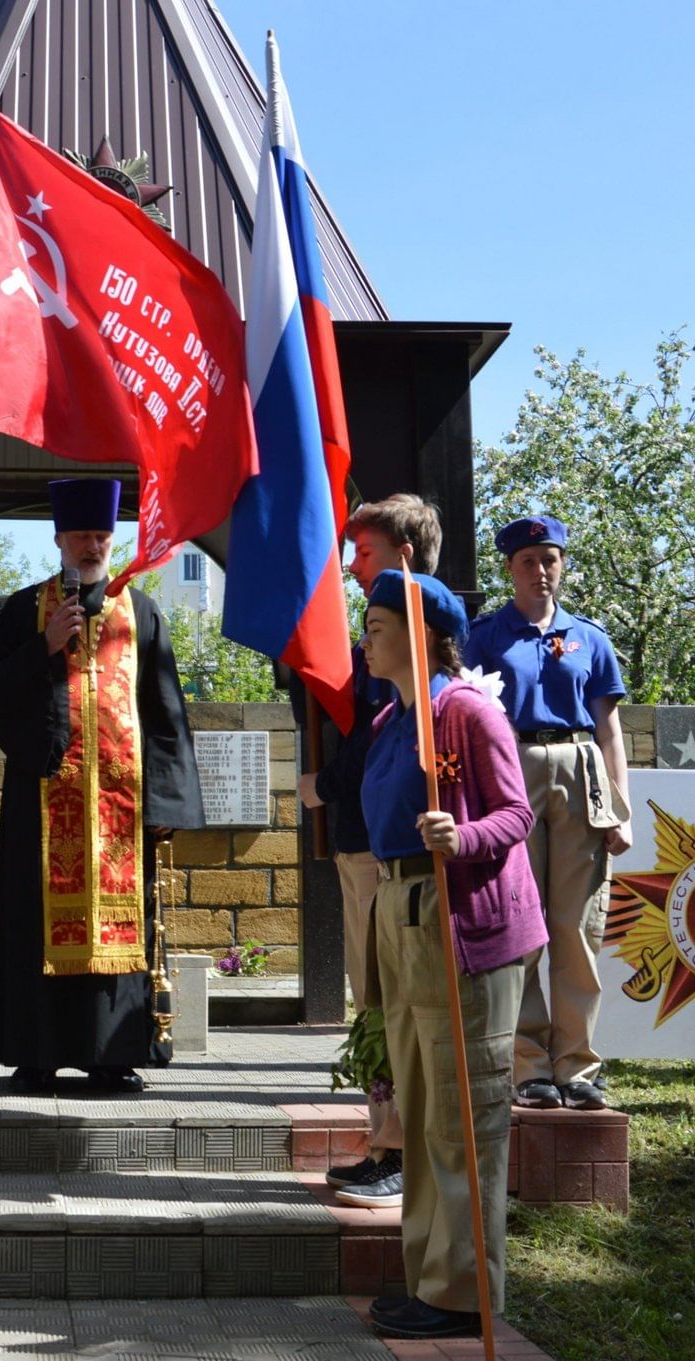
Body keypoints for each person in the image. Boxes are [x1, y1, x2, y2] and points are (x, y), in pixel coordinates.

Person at [356, 569, 547, 1341]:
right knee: (423, 1105)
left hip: (463, 920)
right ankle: (429, 1275)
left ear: (420, 634)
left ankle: (465, 1290)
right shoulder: (390, 721)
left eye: (375, 623)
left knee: (462, 1114)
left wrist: (460, 836)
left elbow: (516, 813)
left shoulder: (463, 712)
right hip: (402, 912)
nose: (364, 636)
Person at [0, 478, 204, 1094]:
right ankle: (36, 1052)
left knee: (122, 930)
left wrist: (165, 801)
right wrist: (43, 649)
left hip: (121, 810)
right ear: (58, 539)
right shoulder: (25, 610)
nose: (92, 545)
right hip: (44, 802)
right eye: (80, 535)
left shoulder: (142, 611)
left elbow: (165, 711)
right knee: (35, 922)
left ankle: (112, 1052)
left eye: (101, 535)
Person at [297, 493, 442, 1207]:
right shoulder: (380, 648)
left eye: (365, 553)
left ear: (405, 559)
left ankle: (396, 1144)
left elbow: (369, 744)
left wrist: (323, 784)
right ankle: (385, 1135)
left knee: (391, 1004)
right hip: (370, 854)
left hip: (398, 864)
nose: (350, 567)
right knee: (373, 1000)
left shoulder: (431, 669)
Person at [463, 515, 630, 1113]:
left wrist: (619, 806)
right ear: (510, 568)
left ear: (562, 565)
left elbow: (609, 726)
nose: (541, 570)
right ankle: (528, 1063)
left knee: (577, 927)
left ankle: (579, 1066)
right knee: (523, 926)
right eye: (529, 560)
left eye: (550, 559)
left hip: (580, 767)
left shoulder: (590, 637)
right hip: (513, 768)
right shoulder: (483, 637)